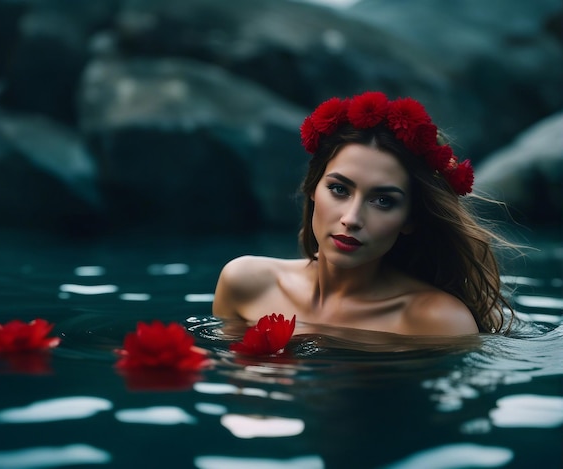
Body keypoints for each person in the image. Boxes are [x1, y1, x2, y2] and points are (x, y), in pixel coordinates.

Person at [213, 91, 515, 336]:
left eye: (383, 201)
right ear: (312, 188)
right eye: (339, 190)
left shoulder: (437, 322)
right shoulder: (246, 283)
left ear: (410, 219)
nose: (352, 218)